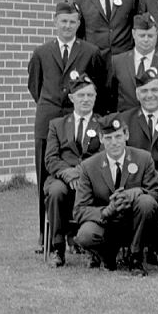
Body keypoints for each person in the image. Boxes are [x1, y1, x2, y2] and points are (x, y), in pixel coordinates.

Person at [27, 0, 104, 244]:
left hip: (81, 123)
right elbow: (35, 87)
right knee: (46, 181)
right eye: (63, 21)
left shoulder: (90, 52)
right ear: (55, 22)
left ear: (79, 24)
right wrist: (52, 108)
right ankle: (45, 233)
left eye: (72, 22)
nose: (67, 26)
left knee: (84, 176)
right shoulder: (41, 52)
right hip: (48, 122)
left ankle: (74, 232)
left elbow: (98, 84)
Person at [73, 117, 158, 276]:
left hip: (135, 223)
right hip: (106, 224)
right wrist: (106, 211)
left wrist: (138, 191)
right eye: (108, 138)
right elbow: (79, 210)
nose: (114, 142)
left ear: (126, 135)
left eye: (118, 136)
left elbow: (155, 194)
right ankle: (107, 256)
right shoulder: (89, 166)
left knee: (146, 202)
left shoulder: (143, 158)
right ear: (100, 139)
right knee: (85, 235)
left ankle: (136, 258)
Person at [41, 73, 104, 266]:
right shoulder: (57, 125)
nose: (85, 100)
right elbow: (50, 157)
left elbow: (104, 154)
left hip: (92, 176)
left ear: (95, 98)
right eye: (81, 96)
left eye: (90, 96)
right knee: (56, 191)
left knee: (102, 191)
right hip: (62, 176)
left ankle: (95, 248)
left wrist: (81, 172)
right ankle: (57, 248)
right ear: (71, 98)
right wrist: (68, 174)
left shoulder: (103, 124)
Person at [108, 14, 158, 113]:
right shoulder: (117, 62)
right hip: (126, 121)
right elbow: (111, 97)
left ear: (157, 34)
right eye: (142, 35)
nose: (146, 40)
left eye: (150, 36)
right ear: (133, 34)